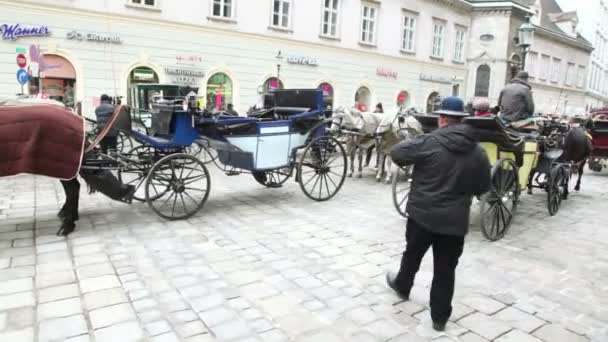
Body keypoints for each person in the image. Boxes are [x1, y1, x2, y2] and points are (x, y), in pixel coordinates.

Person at [386, 96, 491, 332]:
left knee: (412, 254)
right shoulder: (478, 151)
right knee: (445, 269)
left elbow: (396, 153)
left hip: (422, 215)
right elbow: (484, 187)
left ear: (442, 119)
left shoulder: (428, 141)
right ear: (462, 120)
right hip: (454, 221)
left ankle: (403, 286)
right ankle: (439, 318)